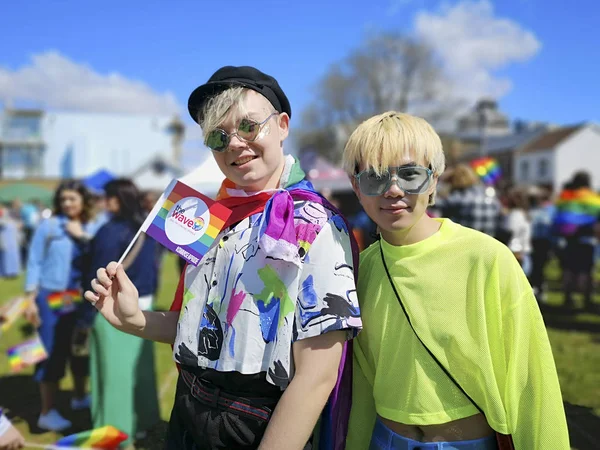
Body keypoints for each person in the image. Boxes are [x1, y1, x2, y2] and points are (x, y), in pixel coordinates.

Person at [85, 66, 362, 450]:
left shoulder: (314, 224)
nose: (234, 144)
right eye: (219, 136)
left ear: (282, 125)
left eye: (249, 126)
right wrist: (135, 320)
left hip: (259, 425)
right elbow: (198, 329)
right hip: (187, 413)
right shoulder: (212, 218)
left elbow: (316, 376)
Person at [342, 112, 569, 450]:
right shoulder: (361, 270)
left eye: (410, 175)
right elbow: (360, 380)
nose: (392, 190)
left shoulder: (487, 259)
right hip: (385, 440)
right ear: (356, 187)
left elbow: (529, 378)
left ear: (434, 180)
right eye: (374, 178)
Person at [78, 178, 160, 445]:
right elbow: (153, 270)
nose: (105, 202)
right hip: (146, 309)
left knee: (114, 375)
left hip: (113, 310)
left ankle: (116, 432)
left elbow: (94, 271)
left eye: (109, 197)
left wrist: (85, 316)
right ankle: (144, 422)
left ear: (119, 199)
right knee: (140, 371)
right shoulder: (148, 228)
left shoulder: (110, 231)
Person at [23, 180, 104, 431]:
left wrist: (83, 237)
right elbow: (35, 261)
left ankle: (80, 398)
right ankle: (46, 412)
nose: (67, 204)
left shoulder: (93, 227)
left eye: (73, 199)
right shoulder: (48, 226)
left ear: (83, 201)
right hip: (51, 299)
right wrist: (30, 299)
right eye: (64, 199)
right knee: (49, 352)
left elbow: (101, 255)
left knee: (79, 349)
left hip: (80, 299)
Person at [552, 171, 600, 310]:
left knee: (568, 270)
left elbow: (557, 216)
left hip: (569, 240)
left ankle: (568, 298)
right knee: (586, 271)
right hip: (587, 240)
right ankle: (586, 300)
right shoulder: (593, 198)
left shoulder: (565, 197)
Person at [439, 164, 503, 241]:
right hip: (487, 245)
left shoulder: (457, 199)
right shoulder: (492, 199)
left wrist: (440, 180)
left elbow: (432, 204)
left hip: (463, 245)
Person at [504, 188, 532, 277]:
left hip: (515, 250)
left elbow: (509, 231)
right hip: (523, 250)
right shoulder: (524, 214)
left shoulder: (514, 215)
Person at [0, 204, 22, 279]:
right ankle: (6, 273)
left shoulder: (12, 222)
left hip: (13, 243)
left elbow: (18, 228)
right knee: (5, 258)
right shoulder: (3, 222)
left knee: (13, 257)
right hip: (5, 243)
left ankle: (13, 272)